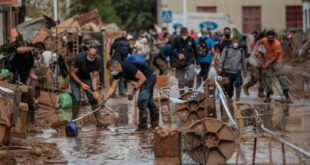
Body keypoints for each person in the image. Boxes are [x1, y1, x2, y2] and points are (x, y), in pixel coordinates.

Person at [104, 59, 158, 133]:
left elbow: (143, 78)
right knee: (149, 102)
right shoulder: (117, 73)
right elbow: (113, 87)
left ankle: (143, 127)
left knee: (142, 101)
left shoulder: (128, 67)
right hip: (144, 80)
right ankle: (155, 125)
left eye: (111, 70)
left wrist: (133, 91)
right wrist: (104, 100)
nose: (111, 73)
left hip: (150, 77)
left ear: (117, 66)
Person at [10, 42, 46, 133]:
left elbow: (31, 74)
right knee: (23, 102)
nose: (40, 55)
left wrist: (39, 78)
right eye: (40, 52)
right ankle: (21, 126)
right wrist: (31, 48)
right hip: (16, 80)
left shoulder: (32, 60)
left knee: (30, 102)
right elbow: (18, 49)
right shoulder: (24, 53)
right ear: (37, 49)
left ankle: (30, 125)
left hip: (23, 82)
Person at [69, 46, 106, 126]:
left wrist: (95, 90)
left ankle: (99, 120)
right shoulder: (79, 58)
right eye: (90, 54)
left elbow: (95, 77)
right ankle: (75, 120)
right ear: (87, 52)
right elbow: (72, 73)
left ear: (96, 55)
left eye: (93, 55)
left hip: (86, 77)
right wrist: (81, 83)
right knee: (77, 98)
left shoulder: (98, 61)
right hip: (75, 77)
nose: (91, 56)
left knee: (93, 98)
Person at [254, 31, 291, 103]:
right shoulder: (264, 40)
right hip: (268, 60)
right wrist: (256, 50)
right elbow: (258, 42)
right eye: (269, 38)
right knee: (268, 78)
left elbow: (275, 56)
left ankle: (287, 96)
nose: (270, 39)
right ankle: (268, 96)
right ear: (267, 37)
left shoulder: (277, 43)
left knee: (280, 77)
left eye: (271, 38)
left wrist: (267, 63)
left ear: (274, 37)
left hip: (277, 61)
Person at [171, 27, 199, 95]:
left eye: (185, 34)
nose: (184, 35)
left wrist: (198, 63)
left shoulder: (191, 40)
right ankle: (182, 95)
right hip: (179, 64)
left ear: (187, 33)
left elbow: (195, 52)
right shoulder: (176, 40)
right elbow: (171, 51)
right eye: (182, 34)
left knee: (191, 78)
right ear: (180, 34)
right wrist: (178, 54)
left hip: (189, 62)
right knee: (180, 82)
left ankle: (190, 93)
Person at [217, 37, 247, 101]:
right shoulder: (227, 48)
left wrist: (245, 71)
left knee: (238, 84)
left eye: (237, 41)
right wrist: (220, 67)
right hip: (227, 71)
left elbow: (243, 61)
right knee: (228, 86)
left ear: (239, 42)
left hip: (237, 71)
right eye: (234, 41)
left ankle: (237, 98)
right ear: (232, 41)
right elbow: (221, 58)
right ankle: (230, 97)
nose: (235, 42)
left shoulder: (241, 50)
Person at [243, 32, 266, 97]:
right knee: (255, 77)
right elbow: (264, 55)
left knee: (263, 78)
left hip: (262, 63)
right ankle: (246, 86)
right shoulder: (260, 44)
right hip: (254, 62)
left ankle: (261, 92)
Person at [110, 31, 131, 97]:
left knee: (120, 77)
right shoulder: (126, 44)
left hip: (115, 61)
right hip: (118, 63)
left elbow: (112, 47)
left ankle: (120, 92)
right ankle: (114, 93)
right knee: (117, 77)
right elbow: (125, 54)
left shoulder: (117, 41)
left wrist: (110, 53)